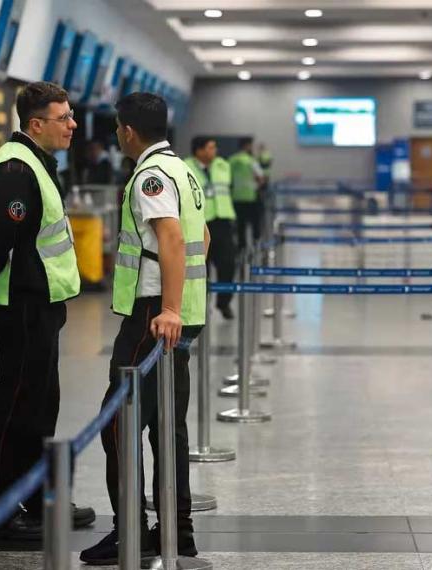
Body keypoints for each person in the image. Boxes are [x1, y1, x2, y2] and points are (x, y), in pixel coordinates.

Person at [0, 81, 95, 538]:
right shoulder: (16, 169)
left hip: (41, 300)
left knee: (41, 403)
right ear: (36, 124)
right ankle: (0, 513)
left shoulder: (38, 163)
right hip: (20, 303)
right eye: (63, 117)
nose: (72, 125)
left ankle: (37, 497)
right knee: (16, 405)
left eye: (71, 116)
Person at [79, 92, 210, 565]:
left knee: (119, 422)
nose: (117, 135)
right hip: (182, 312)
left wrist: (168, 307)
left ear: (128, 131)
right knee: (166, 425)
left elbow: (172, 239)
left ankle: (131, 531)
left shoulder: (151, 175)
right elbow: (203, 236)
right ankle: (178, 529)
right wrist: (183, 306)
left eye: (117, 128)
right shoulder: (184, 170)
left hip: (155, 315)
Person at [185, 136, 237, 319]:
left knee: (228, 264)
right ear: (198, 150)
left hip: (223, 221)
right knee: (199, 267)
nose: (214, 151)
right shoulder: (185, 167)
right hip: (198, 224)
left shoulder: (223, 165)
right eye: (210, 147)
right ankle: (199, 306)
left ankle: (224, 303)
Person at [229, 137, 265, 251]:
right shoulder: (251, 161)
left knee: (240, 225)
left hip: (236, 198)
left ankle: (241, 247)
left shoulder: (231, 160)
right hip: (251, 198)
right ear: (247, 146)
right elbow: (261, 178)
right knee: (255, 223)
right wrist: (256, 187)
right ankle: (256, 245)